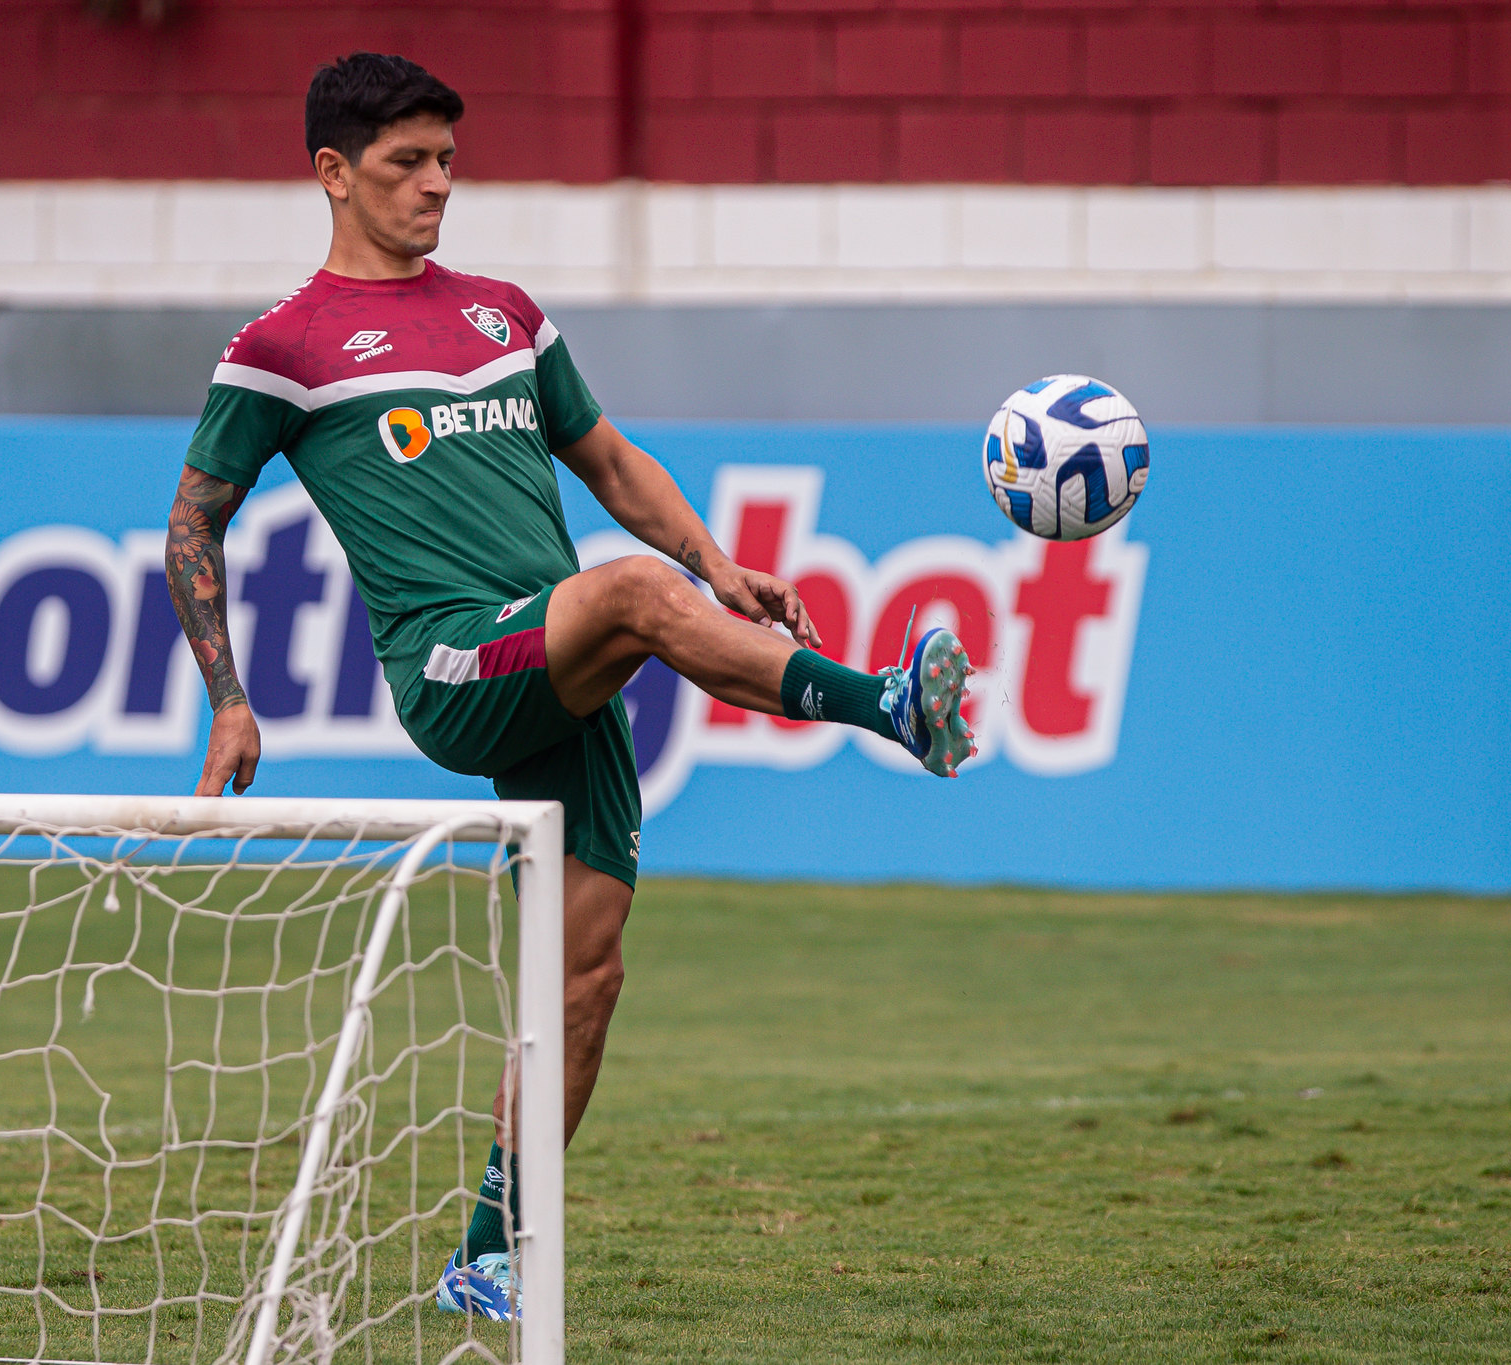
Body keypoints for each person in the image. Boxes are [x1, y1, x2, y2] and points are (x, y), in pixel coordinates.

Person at [165, 51, 977, 1321]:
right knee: (635, 599)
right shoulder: (284, 348)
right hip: (452, 665)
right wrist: (227, 693)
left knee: (585, 981)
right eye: (404, 165)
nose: (436, 186)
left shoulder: (503, 312)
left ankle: (486, 1251)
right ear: (330, 173)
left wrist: (717, 559)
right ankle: (890, 708)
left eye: (445, 160)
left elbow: (603, 457)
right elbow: (192, 528)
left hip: (557, 659)